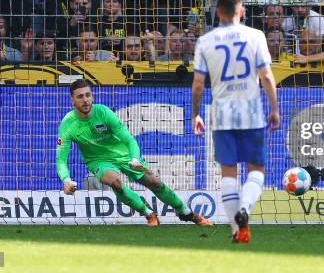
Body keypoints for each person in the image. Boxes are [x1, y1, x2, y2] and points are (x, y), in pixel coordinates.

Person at [57, 79, 213, 226]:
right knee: (115, 182)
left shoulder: (103, 113)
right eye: (80, 97)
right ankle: (148, 213)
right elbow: (61, 159)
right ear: (72, 101)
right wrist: (66, 179)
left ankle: (184, 212)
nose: (85, 100)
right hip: (98, 161)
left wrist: (135, 158)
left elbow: (129, 140)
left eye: (88, 95)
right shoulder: (67, 125)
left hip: (124, 155)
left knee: (155, 182)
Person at [191, 0, 279, 244]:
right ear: (241, 11)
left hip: (221, 115)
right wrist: (274, 108)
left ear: (218, 12)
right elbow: (266, 76)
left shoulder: (205, 41)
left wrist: (195, 114)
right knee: (256, 169)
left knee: (228, 174)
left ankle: (236, 231)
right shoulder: (256, 36)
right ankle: (245, 209)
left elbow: (198, 84)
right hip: (251, 113)